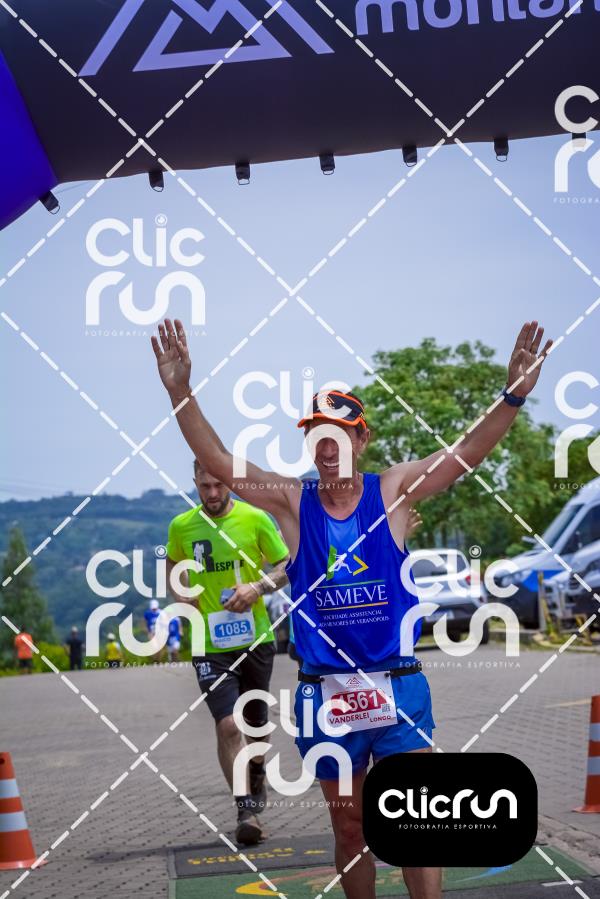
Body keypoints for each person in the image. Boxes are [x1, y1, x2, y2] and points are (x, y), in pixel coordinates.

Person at [152, 318, 552, 899]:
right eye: (317, 437)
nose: (326, 448)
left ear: (361, 439)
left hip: (396, 685)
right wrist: (180, 390)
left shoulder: (393, 490)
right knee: (349, 828)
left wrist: (512, 394)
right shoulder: (292, 501)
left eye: (338, 435)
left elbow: (467, 453)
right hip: (327, 694)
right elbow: (215, 457)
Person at [165, 458, 290, 846]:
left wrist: (258, 587)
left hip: (255, 639)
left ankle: (257, 769)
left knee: (257, 725)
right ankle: (245, 810)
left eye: (219, 485)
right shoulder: (182, 526)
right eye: (205, 486)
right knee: (228, 725)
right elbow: (173, 563)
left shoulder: (255, 518)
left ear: (230, 484)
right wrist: (179, 592)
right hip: (209, 644)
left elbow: (287, 564)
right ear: (195, 483)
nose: (213, 493)